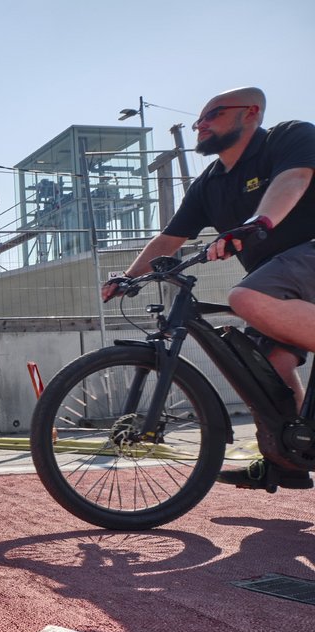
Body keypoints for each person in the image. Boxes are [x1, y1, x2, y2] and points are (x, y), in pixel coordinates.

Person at [103, 87, 315, 490]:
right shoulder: (209, 184)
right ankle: (290, 458)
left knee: (246, 296)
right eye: (199, 119)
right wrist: (127, 277)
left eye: (212, 115)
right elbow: (168, 241)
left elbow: (295, 179)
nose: (200, 124)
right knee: (264, 367)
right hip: (282, 277)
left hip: (307, 255)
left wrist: (259, 222)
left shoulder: (287, 137)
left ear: (250, 113)